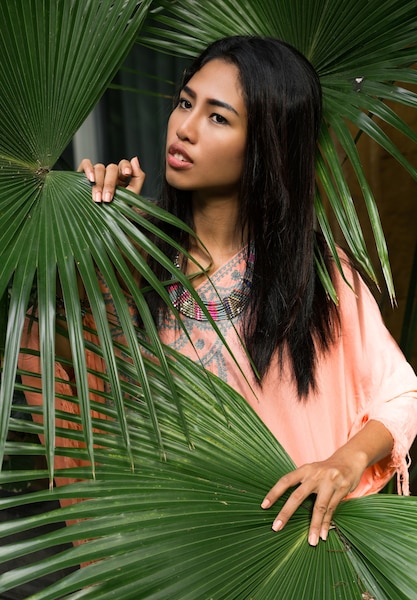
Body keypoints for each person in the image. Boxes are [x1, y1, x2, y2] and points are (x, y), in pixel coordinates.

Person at [26, 36, 417, 547]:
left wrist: (345, 461)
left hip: (286, 559)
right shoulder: (133, 268)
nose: (184, 128)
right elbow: (59, 365)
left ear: (265, 143)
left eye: (217, 117)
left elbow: (400, 393)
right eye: (186, 103)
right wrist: (94, 237)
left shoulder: (317, 277)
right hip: (169, 565)